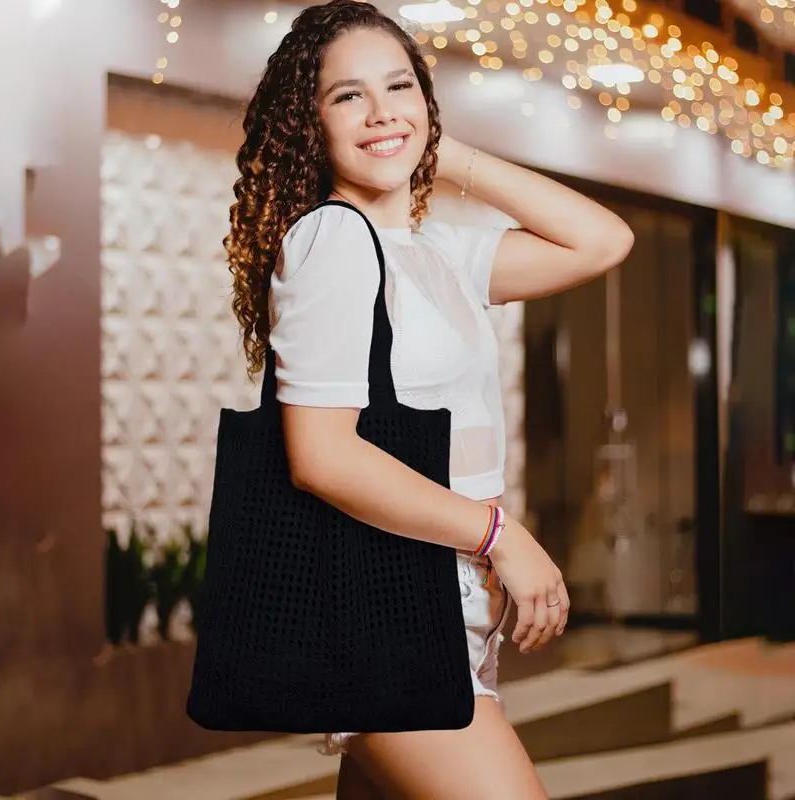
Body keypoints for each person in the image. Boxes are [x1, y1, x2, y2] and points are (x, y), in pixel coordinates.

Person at [224, 1, 634, 797]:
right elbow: (321, 456)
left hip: (445, 612)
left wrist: (442, 152)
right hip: (388, 618)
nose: (381, 112)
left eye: (400, 87)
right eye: (348, 96)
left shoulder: (432, 250)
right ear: (311, 122)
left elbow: (602, 241)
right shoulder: (332, 242)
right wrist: (499, 536)